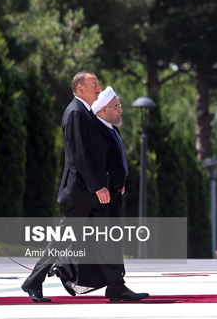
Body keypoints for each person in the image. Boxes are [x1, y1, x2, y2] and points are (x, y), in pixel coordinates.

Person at [21, 72, 147, 302]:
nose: (98, 89)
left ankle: (116, 287)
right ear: (80, 88)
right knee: (62, 238)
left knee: (107, 237)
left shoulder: (86, 113)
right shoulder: (75, 112)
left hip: (92, 192)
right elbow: (78, 154)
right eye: (94, 85)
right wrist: (97, 186)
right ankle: (33, 281)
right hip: (81, 193)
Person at [51, 87, 141, 297]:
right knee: (84, 239)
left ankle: (115, 286)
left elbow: (116, 162)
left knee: (106, 243)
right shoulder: (95, 127)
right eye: (116, 106)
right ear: (102, 110)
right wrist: (100, 187)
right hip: (97, 195)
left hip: (111, 194)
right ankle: (56, 271)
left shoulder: (111, 129)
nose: (121, 110)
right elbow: (86, 160)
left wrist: (121, 181)